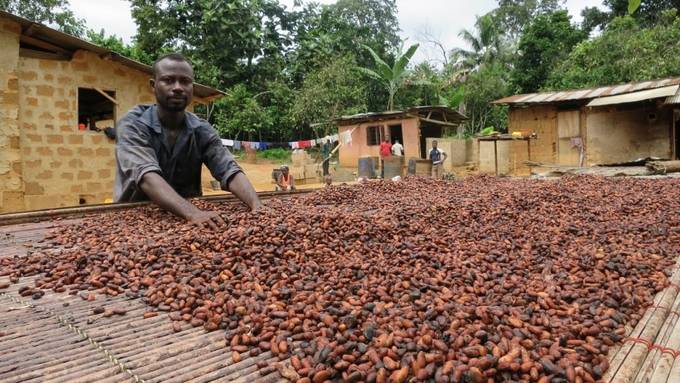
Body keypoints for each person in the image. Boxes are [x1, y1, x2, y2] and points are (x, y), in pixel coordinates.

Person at [114, 53, 262, 229]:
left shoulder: (201, 129)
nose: (177, 87)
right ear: (153, 86)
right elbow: (146, 176)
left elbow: (228, 169)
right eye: (168, 80)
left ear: (192, 87)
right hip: (137, 219)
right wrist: (193, 213)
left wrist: (256, 205)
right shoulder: (133, 124)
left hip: (194, 220)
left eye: (185, 81)